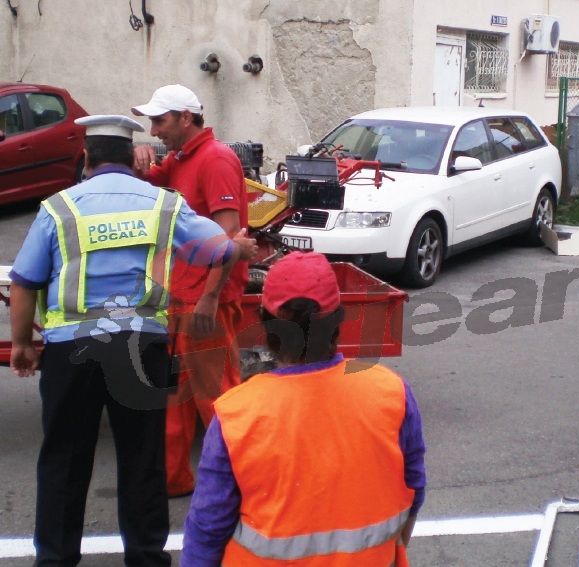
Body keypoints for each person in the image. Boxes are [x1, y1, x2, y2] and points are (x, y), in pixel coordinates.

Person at [8, 115, 256, 566]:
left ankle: (56, 560)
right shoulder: (164, 204)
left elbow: (24, 281)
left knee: (63, 460)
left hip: (72, 353)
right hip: (141, 350)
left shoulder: (59, 207)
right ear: (133, 159)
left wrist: (23, 342)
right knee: (143, 458)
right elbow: (219, 247)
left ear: (87, 158)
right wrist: (238, 247)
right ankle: (145, 556)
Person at [181, 251, 427, 567]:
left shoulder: (236, 414)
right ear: (338, 319)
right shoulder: (392, 392)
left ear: (263, 323)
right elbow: (413, 489)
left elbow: (207, 529)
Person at [131, 84, 251, 497]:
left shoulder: (215, 159)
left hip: (204, 302)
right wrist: (136, 156)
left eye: (160, 121)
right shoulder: (183, 158)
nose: (155, 130)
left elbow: (229, 235)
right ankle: (172, 479)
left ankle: (247, 485)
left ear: (186, 117)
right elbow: (138, 182)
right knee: (177, 396)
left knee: (219, 399)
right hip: (184, 296)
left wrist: (210, 298)